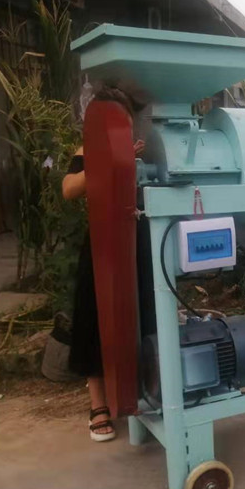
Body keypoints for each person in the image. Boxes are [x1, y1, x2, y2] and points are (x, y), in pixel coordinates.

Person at [62, 85, 144, 442]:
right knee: (93, 320)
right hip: (100, 243)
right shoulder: (87, 151)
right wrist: (105, 158)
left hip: (136, 240)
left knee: (138, 316)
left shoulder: (138, 146)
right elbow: (69, 189)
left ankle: (139, 391)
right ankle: (98, 405)